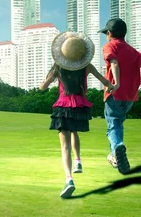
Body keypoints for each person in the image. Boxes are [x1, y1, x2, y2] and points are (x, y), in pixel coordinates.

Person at [40, 31, 115, 199]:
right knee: (75, 132)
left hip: (63, 105)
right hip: (80, 106)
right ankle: (79, 161)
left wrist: (47, 79)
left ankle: (69, 179)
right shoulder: (86, 66)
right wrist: (112, 87)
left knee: (64, 145)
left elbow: (42, 87)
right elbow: (106, 82)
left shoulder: (58, 67)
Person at [99, 18, 141, 175]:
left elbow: (113, 63)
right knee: (118, 124)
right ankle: (115, 157)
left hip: (115, 93)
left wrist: (117, 83)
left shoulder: (110, 46)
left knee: (113, 125)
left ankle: (116, 148)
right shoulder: (134, 51)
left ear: (109, 33)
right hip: (130, 97)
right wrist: (136, 85)